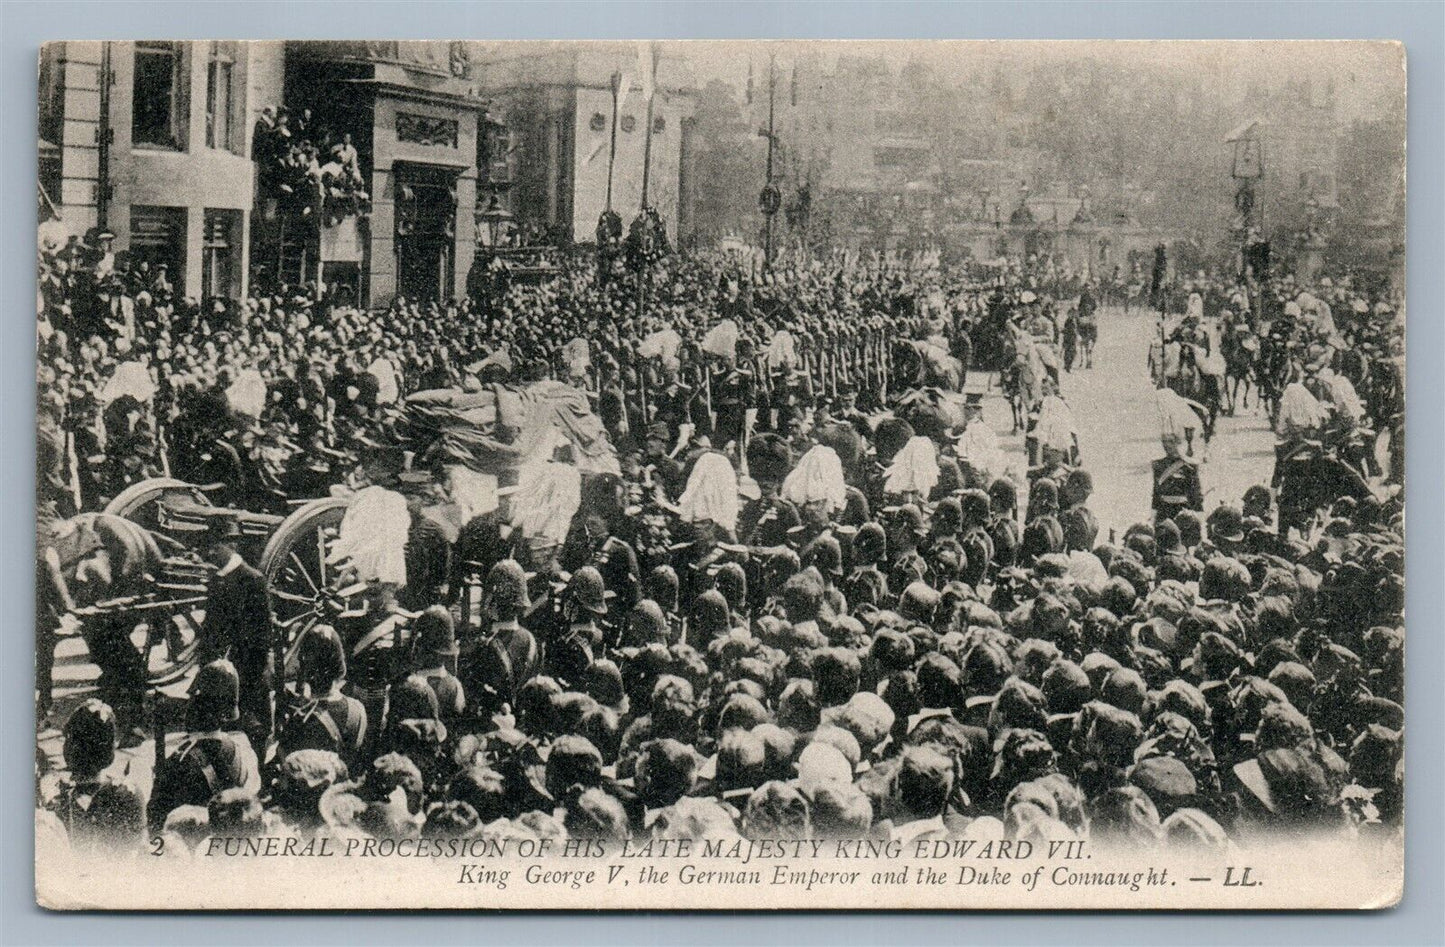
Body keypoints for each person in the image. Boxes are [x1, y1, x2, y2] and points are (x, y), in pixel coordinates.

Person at [198, 520, 274, 754]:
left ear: (233, 545)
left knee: (256, 731)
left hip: (248, 670)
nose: (211, 552)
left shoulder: (253, 579)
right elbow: (211, 626)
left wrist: (247, 671)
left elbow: (263, 635)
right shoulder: (217, 578)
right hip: (223, 668)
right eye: (210, 547)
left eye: (217, 546)